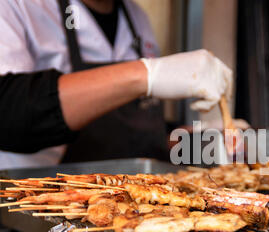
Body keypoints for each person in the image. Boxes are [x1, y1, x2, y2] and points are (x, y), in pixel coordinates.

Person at [0, 0, 233, 169]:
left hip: (134, 203)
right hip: (46, 204)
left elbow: (131, 132)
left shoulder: (136, 17)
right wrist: (145, 74)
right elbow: (8, 112)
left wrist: (198, 140)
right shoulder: (19, 7)